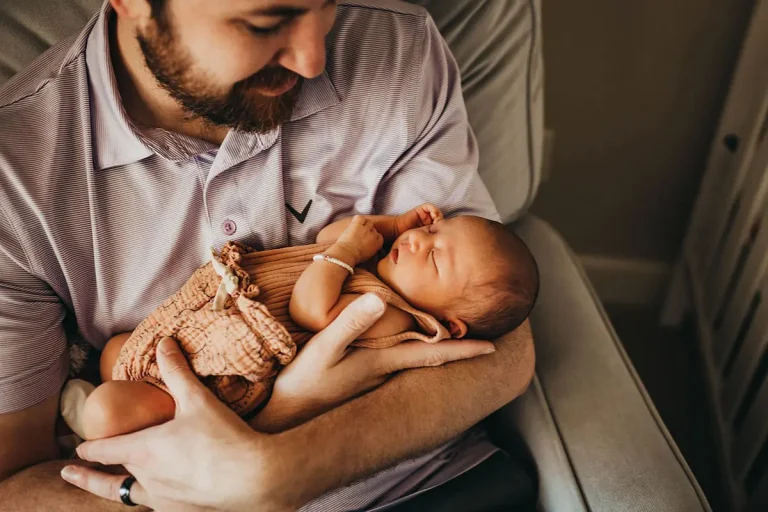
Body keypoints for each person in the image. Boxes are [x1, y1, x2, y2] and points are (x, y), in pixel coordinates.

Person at [0, 0, 536, 510]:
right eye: (262, 24)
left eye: (323, 6)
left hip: (426, 489)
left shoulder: (397, 51)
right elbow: (14, 486)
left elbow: (501, 343)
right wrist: (240, 464)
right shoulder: (15, 178)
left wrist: (295, 460)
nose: (313, 60)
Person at [74, 204, 538, 440]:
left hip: (219, 377)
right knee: (119, 349)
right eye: (433, 231)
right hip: (197, 331)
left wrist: (344, 255)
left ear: (451, 324)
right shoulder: (381, 263)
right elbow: (328, 236)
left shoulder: (393, 314)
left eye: (435, 259)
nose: (419, 242)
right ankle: (101, 409)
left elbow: (311, 311)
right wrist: (391, 226)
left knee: (112, 408)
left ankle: (90, 425)